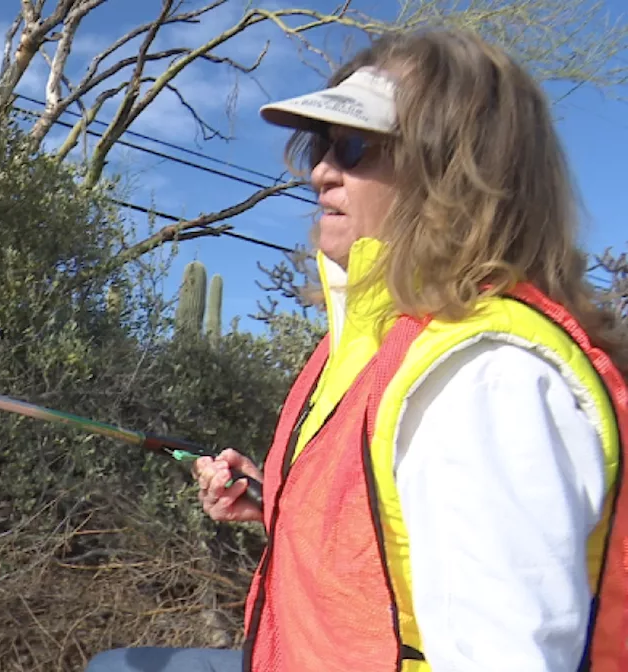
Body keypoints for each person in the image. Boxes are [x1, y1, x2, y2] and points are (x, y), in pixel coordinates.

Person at [84, 28, 628, 672]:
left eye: (355, 146)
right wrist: (276, 502)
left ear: (457, 170)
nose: (320, 170)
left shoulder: (485, 376)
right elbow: (397, 540)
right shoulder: (376, 339)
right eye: (320, 145)